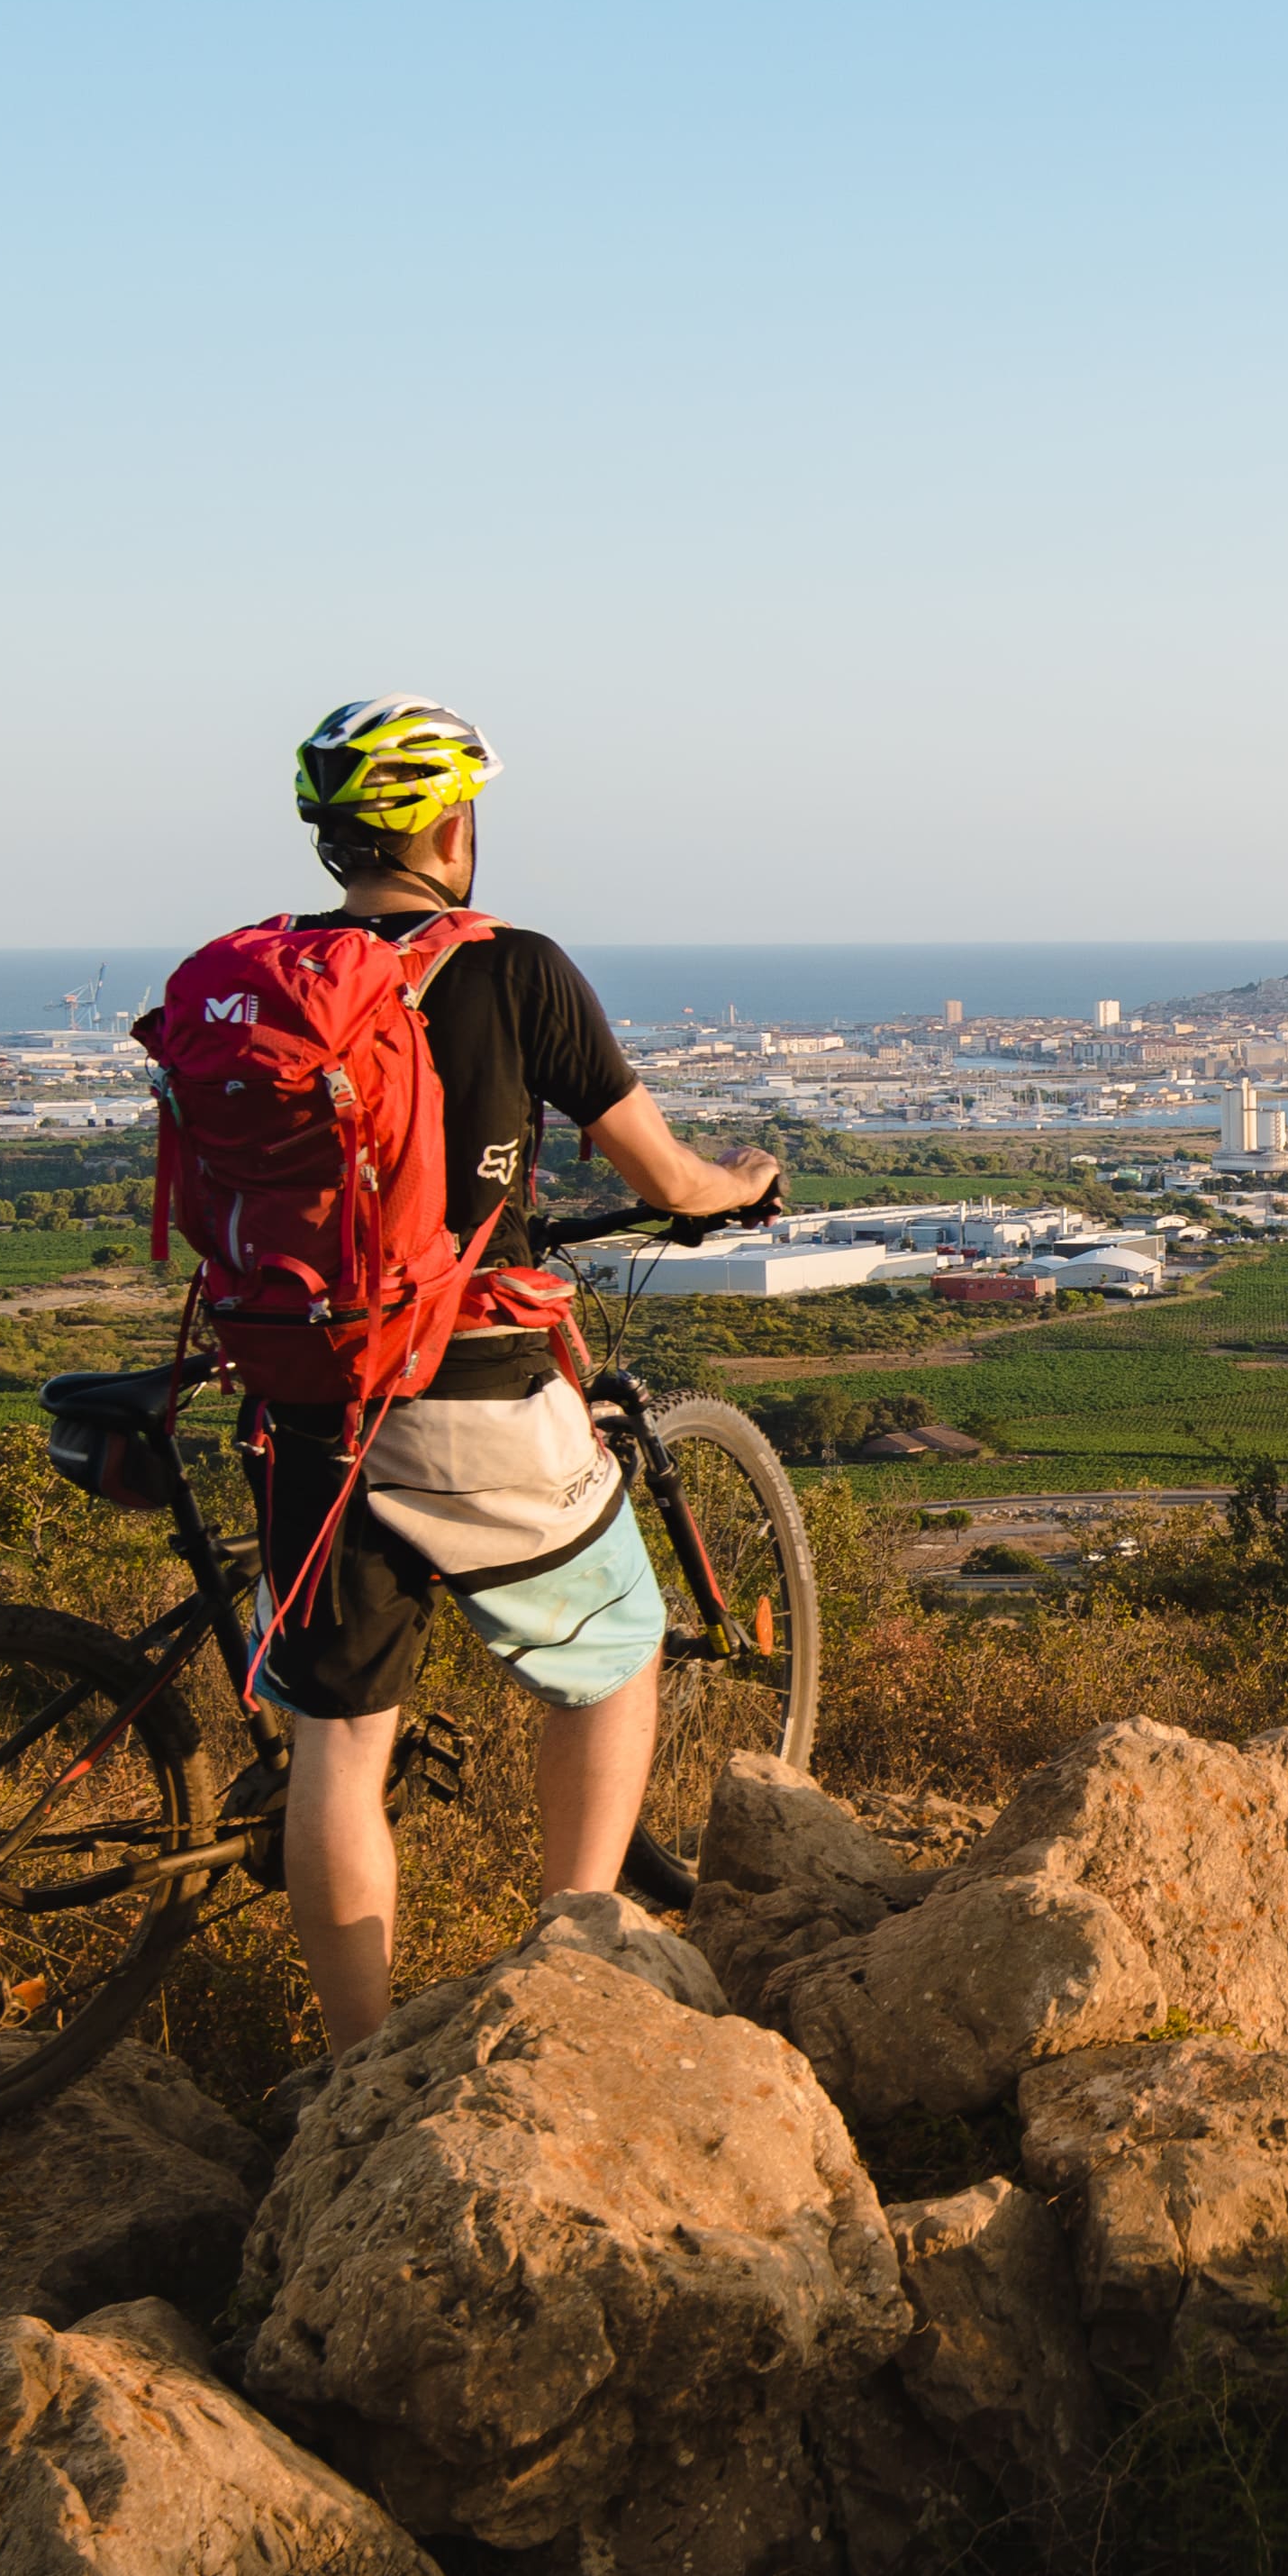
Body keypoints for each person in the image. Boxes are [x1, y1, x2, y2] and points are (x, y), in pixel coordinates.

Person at [243, 697, 780, 2046]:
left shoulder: (260, 980)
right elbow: (663, 1177)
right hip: (463, 1382)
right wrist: (736, 1188)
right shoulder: (513, 968)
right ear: (444, 824)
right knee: (615, 1663)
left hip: (303, 1395)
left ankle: (356, 2062)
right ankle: (574, 1970)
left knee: (340, 1742)